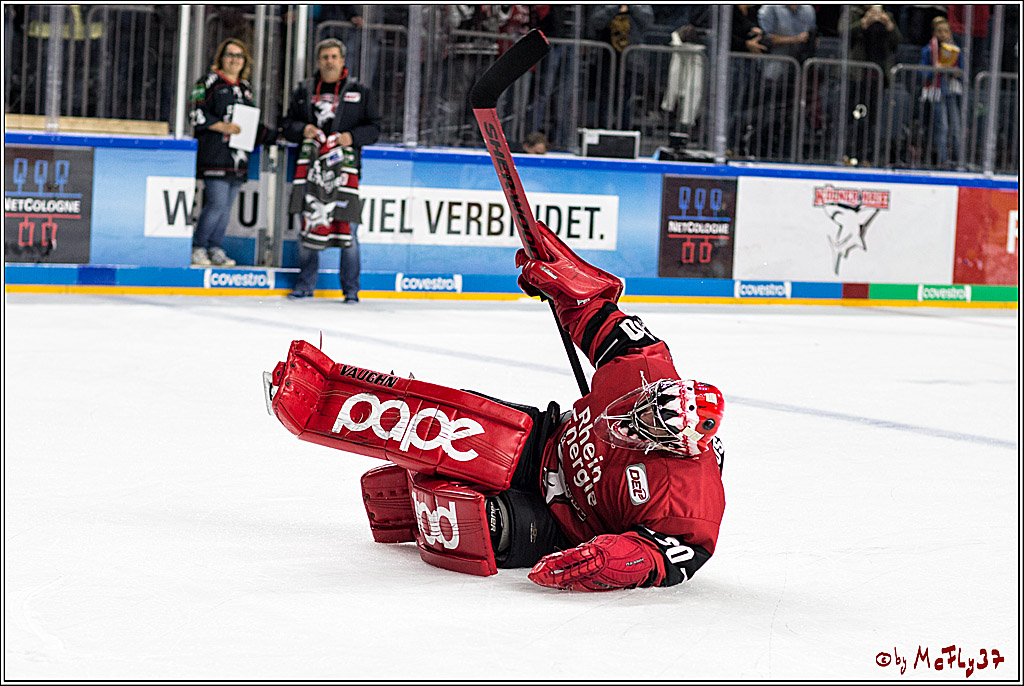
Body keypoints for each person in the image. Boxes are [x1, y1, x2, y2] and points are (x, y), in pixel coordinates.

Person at [265, 221, 727, 591]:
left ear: (672, 449)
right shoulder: (643, 368)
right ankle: (322, 391)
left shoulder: (689, 501)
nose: (631, 418)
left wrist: (613, 560)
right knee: (453, 422)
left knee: (483, 526)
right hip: (549, 443)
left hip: (566, 524)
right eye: (641, 408)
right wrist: (562, 283)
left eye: (645, 426)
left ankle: (418, 496)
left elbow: (674, 556)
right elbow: (591, 308)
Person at [280, 37, 381, 301]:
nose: (330, 61)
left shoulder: (359, 90)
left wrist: (352, 137)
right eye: (325, 57)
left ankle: (350, 290)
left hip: (345, 172)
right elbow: (287, 125)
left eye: (334, 56)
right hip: (311, 171)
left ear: (343, 60)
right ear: (318, 61)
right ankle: (305, 285)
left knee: (349, 230)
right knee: (309, 225)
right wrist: (303, 129)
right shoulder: (304, 89)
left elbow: (375, 128)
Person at [190, 38, 267, 267]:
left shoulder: (245, 88)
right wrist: (221, 126)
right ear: (221, 58)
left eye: (239, 56)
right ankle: (199, 246)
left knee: (226, 207)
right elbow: (195, 113)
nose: (234, 60)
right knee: (216, 203)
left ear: (245, 61)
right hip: (215, 155)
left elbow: (250, 123)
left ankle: (215, 247)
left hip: (238, 157)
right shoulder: (209, 81)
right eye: (230, 55)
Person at [920, 17, 963, 167]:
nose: (943, 34)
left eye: (945, 31)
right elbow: (922, 73)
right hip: (937, 92)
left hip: (951, 91)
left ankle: (959, 160)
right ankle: (943, 159)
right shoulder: (929, 50)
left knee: (956, 127)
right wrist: (934, 70)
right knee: (942, 126)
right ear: (934, 33)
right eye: (939, 31)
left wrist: (956, 72)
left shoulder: (956, 51)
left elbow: (962, 71)